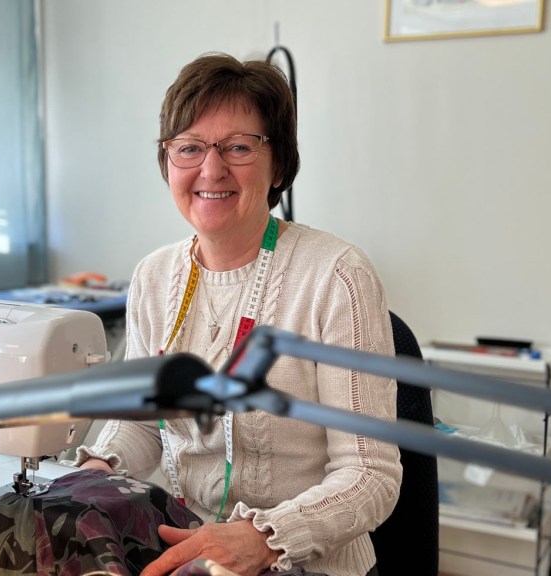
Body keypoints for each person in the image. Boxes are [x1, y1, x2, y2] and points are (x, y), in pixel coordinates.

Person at [74, 53, 402, 576]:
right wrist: (94, 473)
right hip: (187, 546)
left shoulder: (337, 275)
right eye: (189, 148)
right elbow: (144, 425)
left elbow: (370, 475)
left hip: (306, 563)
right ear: (167, 161)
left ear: (280, 165)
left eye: (239, 147)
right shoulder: (153, 277)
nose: (211, 169)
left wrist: (267, 539)